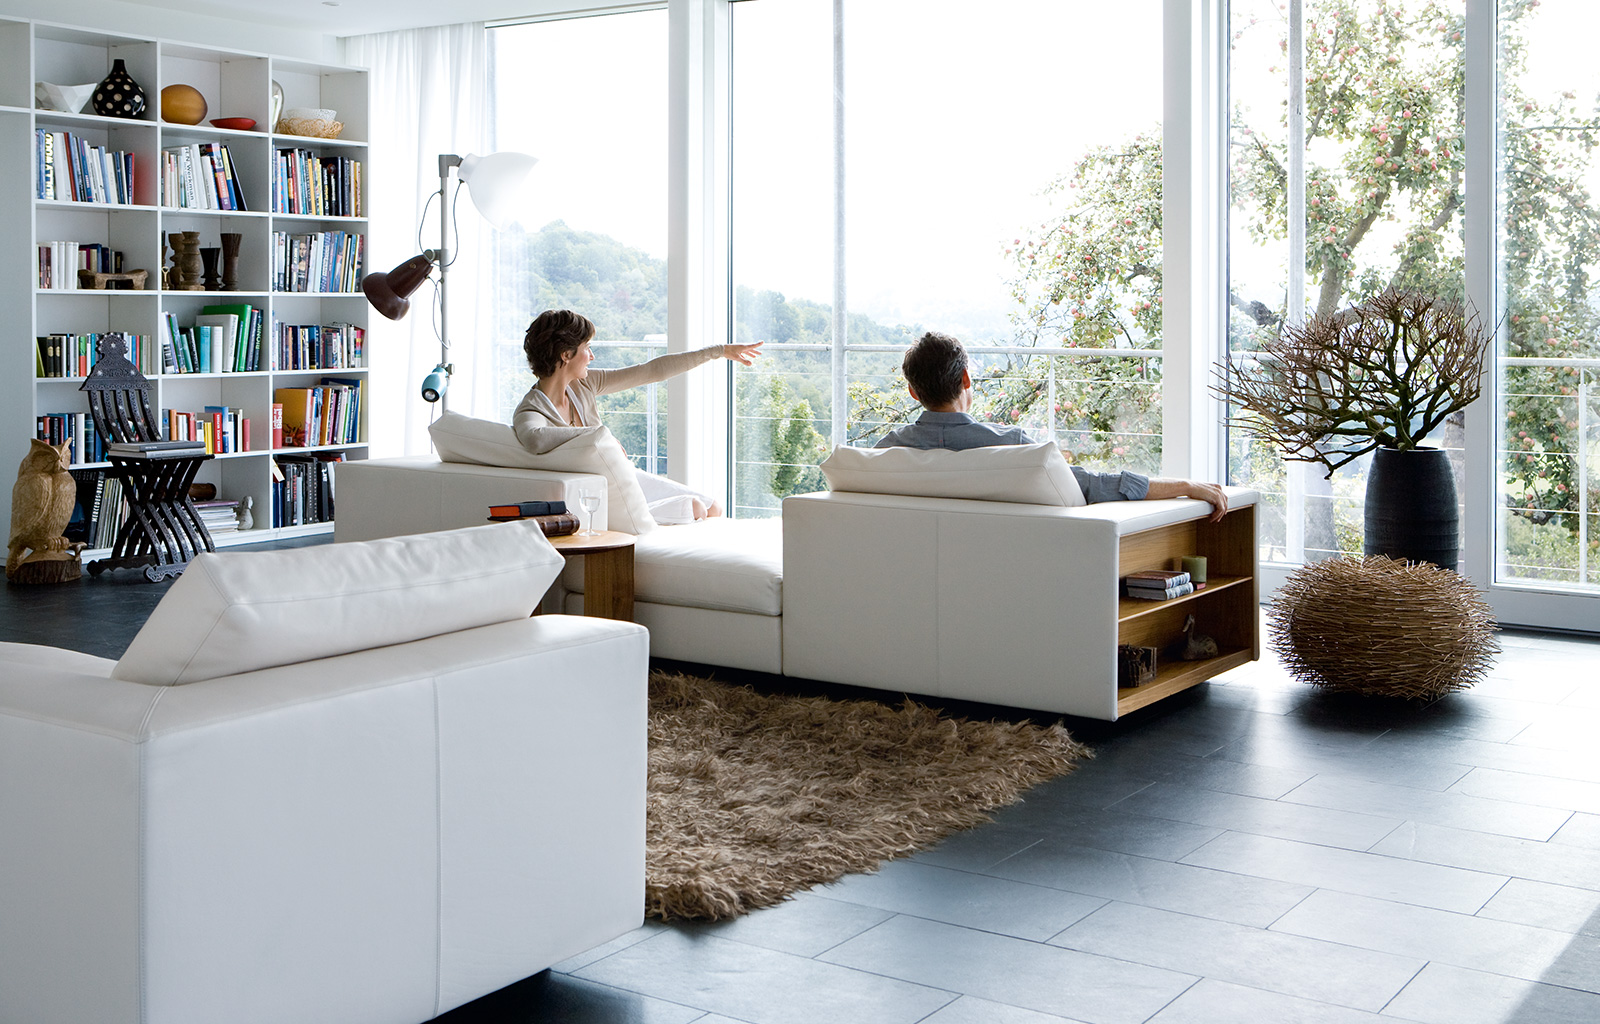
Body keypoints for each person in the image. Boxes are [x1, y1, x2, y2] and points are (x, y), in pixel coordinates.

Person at [875, 331, 1229, 521]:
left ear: (913, 391)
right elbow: (1094, 485)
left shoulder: (883, 454)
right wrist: (1185, 485)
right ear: (966, 379)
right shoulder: (1015, 446)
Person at [511, 309, 763, 521]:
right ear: (566, 355)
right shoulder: (532, 408)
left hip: (626, 476)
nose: (592, 356)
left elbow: (652, 370)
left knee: (713, 507)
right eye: (587, 347)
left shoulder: (584, 384)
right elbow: (535, 438)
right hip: (604, 495)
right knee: (695, 508)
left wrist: (719, 351)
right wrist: (601, 437)